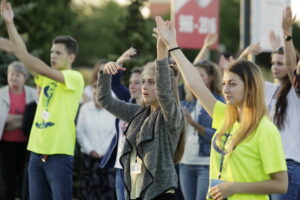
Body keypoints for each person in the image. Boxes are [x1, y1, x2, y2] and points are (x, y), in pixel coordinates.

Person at [155, 16, 288, 200]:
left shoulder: (265, 130)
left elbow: (281, 184)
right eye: (224, 83)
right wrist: (173, 46)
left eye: (232, 84)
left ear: (249, 87)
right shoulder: (226, 115)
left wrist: (233, 187)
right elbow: (196, 84)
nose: (225, 90)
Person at [0, 1, 84, 200]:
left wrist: (16, 51)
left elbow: (34, 63)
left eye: (58, 53)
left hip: (59, 153)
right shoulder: (45, 77)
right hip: (36, 152)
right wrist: (10, 23)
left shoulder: (75, 78)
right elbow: (26, 57)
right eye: (51, 52)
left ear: (71, 57)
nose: (52, 56)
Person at [96, 34, 185, 199]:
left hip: (161, 194)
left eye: (151, 82)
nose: (144, 87)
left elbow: (165, 95)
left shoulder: (172, 115)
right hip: (136, 193)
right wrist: (105, 71)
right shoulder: (138, 112)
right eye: (143, 81)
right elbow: (104, 100)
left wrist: (161, 50)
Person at [265, 7, 300, 200]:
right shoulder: (269, 89)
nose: (275, 67)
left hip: (289, 165)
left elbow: (290, 66)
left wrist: (287, 35)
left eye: (279, 63)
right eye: (272, 63)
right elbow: (236, 81)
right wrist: (245, 53)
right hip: (271, 164)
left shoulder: (296, 91)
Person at [179, 60, 223, 200]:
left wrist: (193, 123)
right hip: (185, 162)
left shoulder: (219, 103)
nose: (196, 79)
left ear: (210, 78)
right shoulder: (187, 101)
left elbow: (218, 137)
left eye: (201, 75)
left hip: (205, 164)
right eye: (194, 75)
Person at [0, 61, 37, 200]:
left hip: (27, 145)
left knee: (25, 180)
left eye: (18, 75)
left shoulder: (33, 93)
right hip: (5, 145)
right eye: (11, 74)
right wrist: (23, 119)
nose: (14, 77)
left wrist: (11, 120)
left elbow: (34, 118)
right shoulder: (1, 94)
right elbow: (5, 120)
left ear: (25, 78)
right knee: (6, 182)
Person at [77, 82, 117, 200]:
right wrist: (90, 150)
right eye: (94, 94)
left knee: (108, 191)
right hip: (89, 158)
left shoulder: (113, 110)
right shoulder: (85, 109)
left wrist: (104, 151)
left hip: (108, 158)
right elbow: (80, 131)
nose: (97, 97)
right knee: (88, 191)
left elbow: (115, 134)